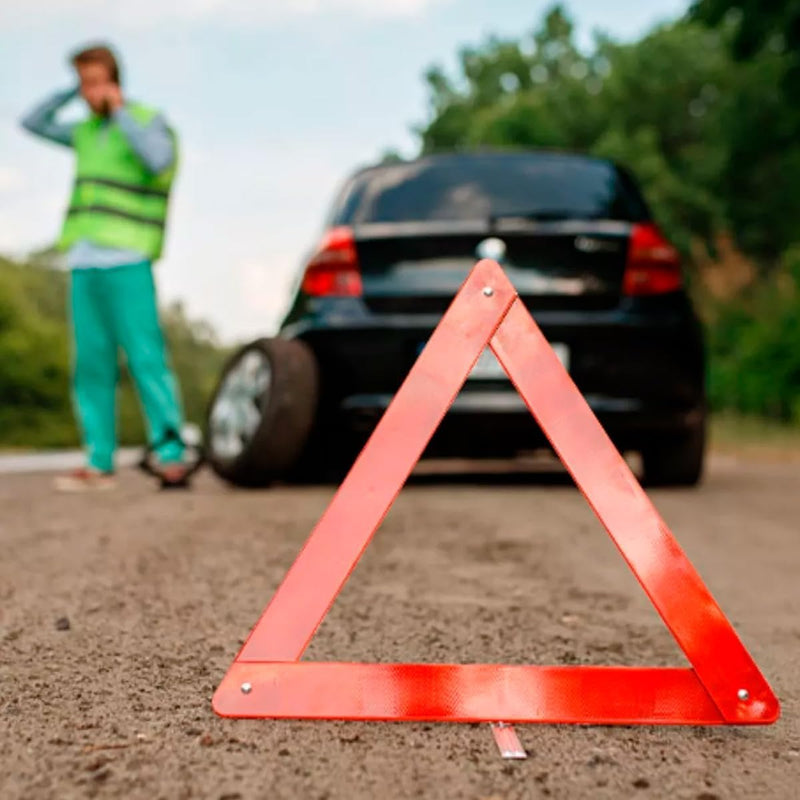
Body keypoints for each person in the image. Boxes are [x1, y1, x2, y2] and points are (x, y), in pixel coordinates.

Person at [21, 44, 191, 490]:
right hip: (84, 259)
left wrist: (120, 112)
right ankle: (99, 460)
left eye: (96, 80)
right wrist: (67, 91)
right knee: (91, 364)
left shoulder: (145, 119)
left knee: (145, 357)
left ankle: (171, 454)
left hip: (128, 257)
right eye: (84, 83)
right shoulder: (83, 132)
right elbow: (31, 122)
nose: (90, 91)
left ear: (115, 81)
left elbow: (159, 161)